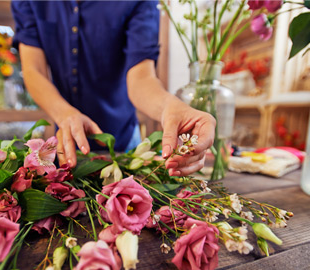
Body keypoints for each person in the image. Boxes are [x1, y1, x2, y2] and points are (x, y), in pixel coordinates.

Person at [11, 0, 216, 176]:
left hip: (125, 145)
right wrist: (65, 114)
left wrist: (172, 108)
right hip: (66, 146)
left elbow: (141, 78)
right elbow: (33, 70)